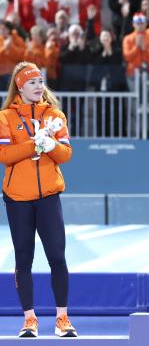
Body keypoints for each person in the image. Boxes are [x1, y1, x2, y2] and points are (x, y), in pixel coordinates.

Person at [0, 62, 76, 338]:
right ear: (20, 86)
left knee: (57, 257)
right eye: (32, 82)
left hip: (48, 197)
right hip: (18, 199)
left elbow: (66, 155)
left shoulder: (55, 115)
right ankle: (29, 319)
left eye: (40, 81)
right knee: (24, 259)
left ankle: (62, 319)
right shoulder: (5, 117)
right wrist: (35, 143)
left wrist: (51, 145)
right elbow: (5, 156)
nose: (38, 86)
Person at [122, 13, 149, 91]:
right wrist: (136, 48)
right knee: (134, 98)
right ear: (133, 24)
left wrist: (145, 49)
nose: (140, 25)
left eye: (142, 23)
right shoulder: (128, 38)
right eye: (138, 23)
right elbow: (126, 57)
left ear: (146, 24)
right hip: (133, 73)